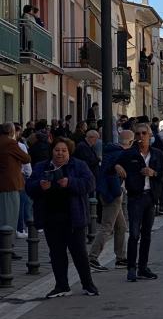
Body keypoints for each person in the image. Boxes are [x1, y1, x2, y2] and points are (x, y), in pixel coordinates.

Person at [26, 137, 98, 298]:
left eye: (63, 151)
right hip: (50, 217)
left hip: (73, 217)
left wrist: (70, 182)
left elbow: (90, 184)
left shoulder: (78, 165)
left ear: (69, 152)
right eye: (57, 150)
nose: (60, 153)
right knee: (57, 254)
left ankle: (88, 284)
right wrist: (40, 186)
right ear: (52, 151)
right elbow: (29, 186)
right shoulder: (41, 167)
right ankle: (62, 285)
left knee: (79, 253)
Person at [115, 123, 163, 282]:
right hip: (135, 197)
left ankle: (143, 267)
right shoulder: (129, 154)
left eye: (144, 133)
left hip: (151, 197)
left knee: (146, 235)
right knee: (134, 234)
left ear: (150, 135)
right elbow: (113, 164)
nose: (141, 137)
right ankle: (131, 268)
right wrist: (117, 166)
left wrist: (154, 173)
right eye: (137, 134)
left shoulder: (158, 154)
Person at [89, 129, 134, 271]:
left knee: (121, 227)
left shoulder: (111, 151)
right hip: (112, 194)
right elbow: (114, 167)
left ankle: (120, 258)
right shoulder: (120, 154)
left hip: (110, 192)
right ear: (131, 142)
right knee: (106, 226)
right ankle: (92, 257)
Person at [0, 122, 31, 258]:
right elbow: (26, 158)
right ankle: (8, 248)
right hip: (10, 184)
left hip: (3, 184)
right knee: (10, 217)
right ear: (11, 131)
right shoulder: (10, 143)